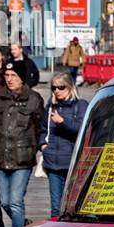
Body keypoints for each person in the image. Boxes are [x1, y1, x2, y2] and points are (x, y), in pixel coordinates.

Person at [0, 62, 45, 227]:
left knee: (15, 201)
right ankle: (23, 224)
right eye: (7, 75)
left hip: (23, 158)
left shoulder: (34, 99)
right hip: (0, 155)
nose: (10, 79)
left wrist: (33, 147)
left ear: (22, 78)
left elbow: (39, 126)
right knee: (4, 202)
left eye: (14, 75)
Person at [40, 72, 88, 217]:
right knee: (56, 207)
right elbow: (43, 129)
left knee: (73, 207)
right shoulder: (50, 106)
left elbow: (83, 129)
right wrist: (42, 145)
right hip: (52, 162)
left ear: (70, 87)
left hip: (73, 163)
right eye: (54, 88)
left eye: (61, 87)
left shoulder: (80, 105)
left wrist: (62, 122)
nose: (57, 91)